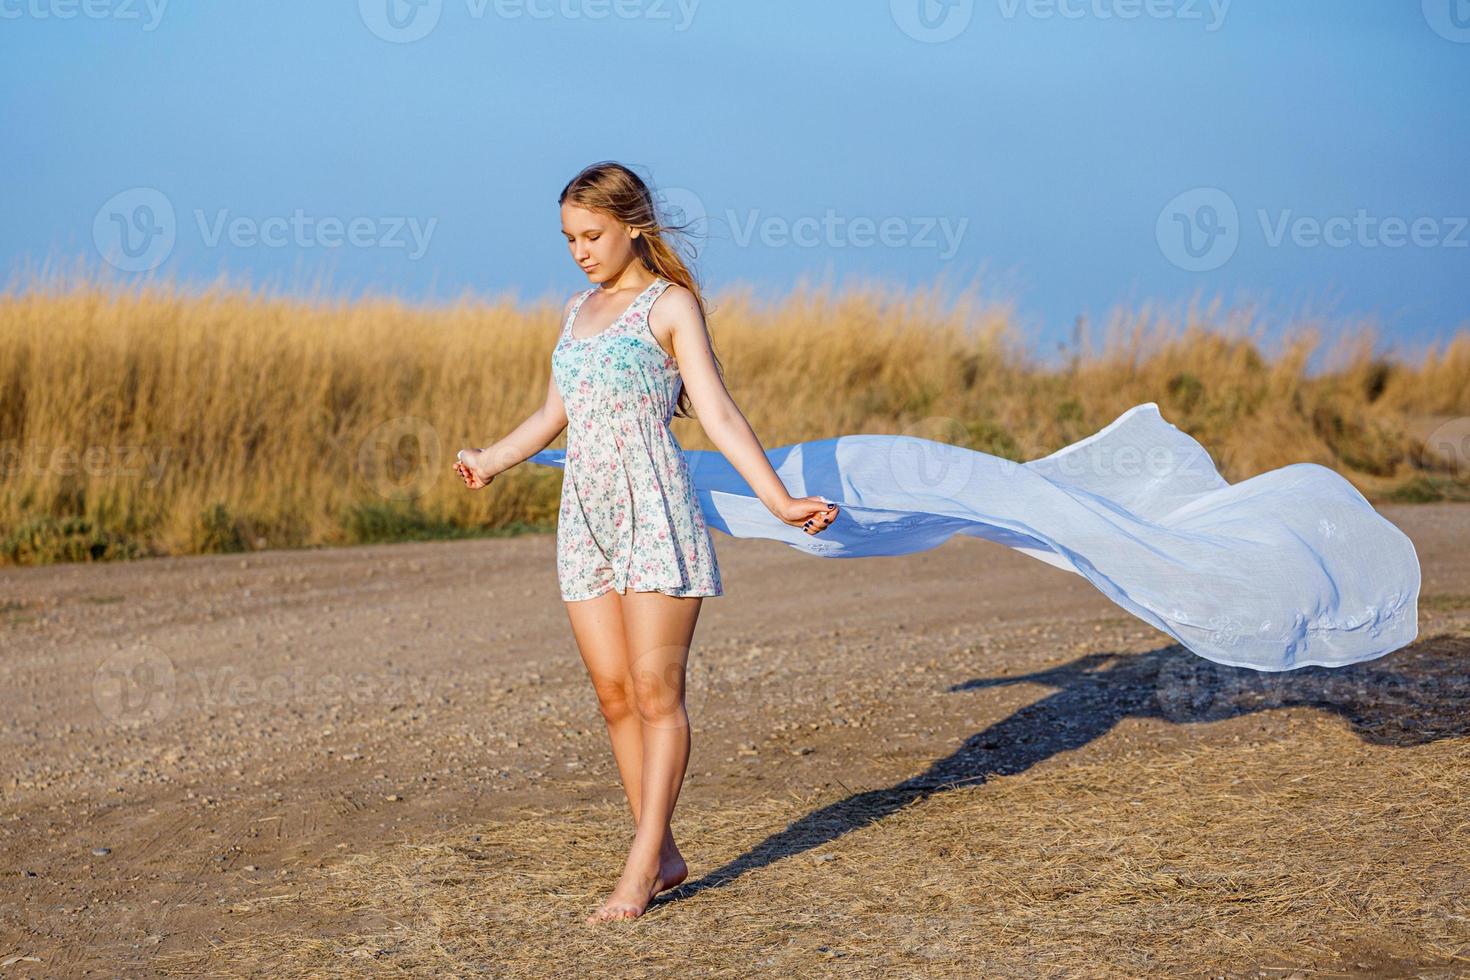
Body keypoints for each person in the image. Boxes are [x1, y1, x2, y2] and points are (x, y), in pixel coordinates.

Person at [453, 160, 839, 923]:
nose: (580, 250)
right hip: (586, 520)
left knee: (659, 692)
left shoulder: (671, 305)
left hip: (655, 511)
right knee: (613, 696)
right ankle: (662, 851)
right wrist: (491, 460)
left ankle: (640, 865)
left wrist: (781, 500)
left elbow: (720, 415)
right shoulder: (576, 310)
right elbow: (551, 413)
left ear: (634, 225)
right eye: (569, 238)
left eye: (592, 235)